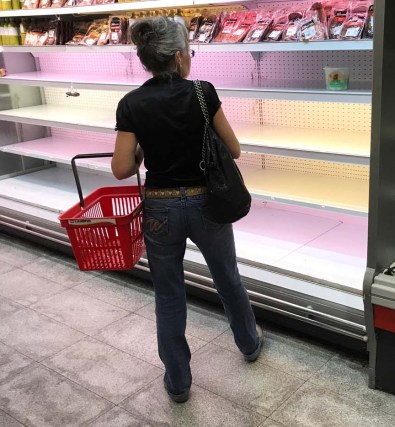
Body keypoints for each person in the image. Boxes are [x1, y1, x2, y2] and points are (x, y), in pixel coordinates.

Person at [111, 16, 263, 404]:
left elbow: (122, 168)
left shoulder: (131, 104)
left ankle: (178, 382)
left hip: (159, 208)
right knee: (227, 278)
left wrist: (147, 148)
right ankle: (249, 344)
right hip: (205, 201)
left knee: (168, 294)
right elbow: (234, 149)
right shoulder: (203, 92)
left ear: (147, 59)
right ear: (179, 56)